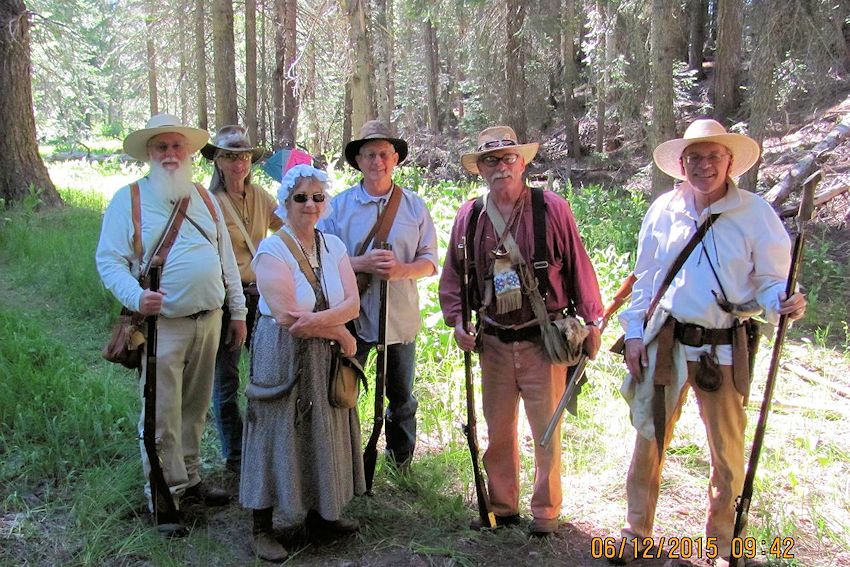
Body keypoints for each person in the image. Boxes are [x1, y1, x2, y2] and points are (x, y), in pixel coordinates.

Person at [610, 119, 807, 566]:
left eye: (713, 156)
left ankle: (722, 545)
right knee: (649, 440)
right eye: (694, 158)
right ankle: (635, 532)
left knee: (727, 451)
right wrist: (636, 335)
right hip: (667, 343)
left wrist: (785, 302)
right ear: (681, 165)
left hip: (722, 347)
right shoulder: (663, 209)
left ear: (729, 161)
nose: (703, 166)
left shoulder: (755, 214)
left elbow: (771, 282)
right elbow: (646, 279)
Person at [439, 126, 603, 537]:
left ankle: (546, 513)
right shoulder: (470, 216)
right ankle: (502, 507)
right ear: (480, 169)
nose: (501, 167)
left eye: (508, 158)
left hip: (543, 341)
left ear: (523, 162)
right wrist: (458, 321)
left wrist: (593, 321)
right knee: (498, 433)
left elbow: (581, 268)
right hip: (492, 341)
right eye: (490, 160)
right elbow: (454, 279)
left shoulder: (552, 209)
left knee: (546, 432)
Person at [96, 113, 247, 532]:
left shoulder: (204, 196)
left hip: (210, 319)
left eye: (177, 146)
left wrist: (237, 311)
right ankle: (163, 498)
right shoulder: (127, 200)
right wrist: (136, 297)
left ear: (188, 152)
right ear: (149, 153)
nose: (170, 154)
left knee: (195, 410)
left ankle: (190, 479)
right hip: (163, 326)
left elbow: (226, 262)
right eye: (161, 147)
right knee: (161, 416)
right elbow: (108, 261)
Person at [240, 164, 365, 562]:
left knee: (321, 427)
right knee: (275, 427)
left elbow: (352, 302)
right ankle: (261, 526)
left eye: (317, 197)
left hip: (323, 354)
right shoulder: (271, 250)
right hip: (281, 353)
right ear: (285, 203)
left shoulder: (334, 246)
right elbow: (288, 318)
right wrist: (342, 333)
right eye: (300, 198)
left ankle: (320, 515)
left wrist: (326, 326)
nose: (309, 205)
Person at [319, 120, 438, 469]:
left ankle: (400, 463)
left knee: (401, 397)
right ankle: (346, 464)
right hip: (351, 317)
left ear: (395, 158)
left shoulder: (415, 207)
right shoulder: (337, 207)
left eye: (384, 154)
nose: (377, 162)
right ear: (358, 159)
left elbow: (430, 262)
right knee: (344, 392)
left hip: (400, 319)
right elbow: (322, 258)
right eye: (370, 154)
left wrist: (401, 270)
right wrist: (360, 263)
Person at [202, 125, 283, 473]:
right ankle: (235, 455)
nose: (239, 164)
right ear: (218, 161)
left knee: (266, 373)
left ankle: (264, 446)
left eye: (245, 157)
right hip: (225, 301)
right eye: (231, 157)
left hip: (260, 297)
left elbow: (289, 228)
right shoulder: (210, 203)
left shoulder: (262, 197)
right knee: (227, 378)